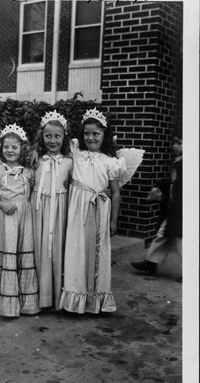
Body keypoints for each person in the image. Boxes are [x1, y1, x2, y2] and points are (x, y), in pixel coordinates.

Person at [59, 108, 145, 314]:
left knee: (97, 252)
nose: (90, 137)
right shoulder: (75, 152)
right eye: (87, 133)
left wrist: (114, 220)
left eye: (95, 134)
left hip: (99, 210)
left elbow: (115, 192)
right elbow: (53, 148)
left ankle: (95, 301)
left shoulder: (111, 161)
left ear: (105, 135)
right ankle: (74, 300)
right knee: (76, 251)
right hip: (76, 210)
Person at [0, 123, 40, 317]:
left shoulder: (29, 172)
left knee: (22, 252)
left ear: (22, 149)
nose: (10, 150)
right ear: (0, 148)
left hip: (25, 217)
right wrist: (2, 205)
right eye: (6, 147)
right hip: (5, 217)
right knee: (7, 252)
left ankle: (26, 301)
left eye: (14, 147)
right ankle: (3, 301)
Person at [31, 111, 73, 311]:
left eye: (57, 136)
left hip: (60, 209)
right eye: (48, 136)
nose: (53, 140)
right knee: (40, 249)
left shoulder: (70, 160)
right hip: (39, 208)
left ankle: (57, 297)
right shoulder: (37, 159)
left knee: (58, 249)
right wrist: (33, 151)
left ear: (64, 137)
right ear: (42, 137)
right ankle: (40, 296)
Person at [130, 130, 183, 282]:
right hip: (176, 208)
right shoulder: (178, 162)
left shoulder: (187, 164)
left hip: (182, 209)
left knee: (180, 241)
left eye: (179, 143)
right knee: (163, 235)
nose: (174, 146)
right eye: (174, 142)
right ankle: (151, 262)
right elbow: (174, 185)